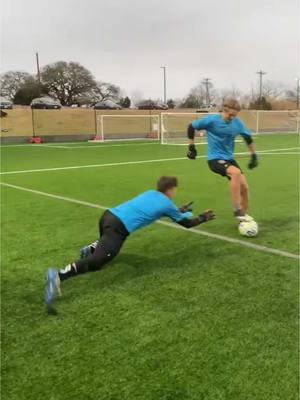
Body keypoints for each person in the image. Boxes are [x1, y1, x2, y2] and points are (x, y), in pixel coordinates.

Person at [45, 176, 215, 312]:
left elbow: (159, 209)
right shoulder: (167, 203)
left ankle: (91, 248)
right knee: (97, 262)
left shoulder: (151, 193)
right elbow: (186, 223)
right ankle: (58, 276)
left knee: (102, 249)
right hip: (118, 228)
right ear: (171, 189)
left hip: (108, 216)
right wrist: (202, 218)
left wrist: (180, 211)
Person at [186, 99, 258, 221]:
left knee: (245, 188)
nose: (232, 117)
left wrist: (254, 156)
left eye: (234, 115)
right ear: (223, 111)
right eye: (230, 114)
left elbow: (248, 139)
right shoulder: (211, 120)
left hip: (229, 159)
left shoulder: (238, 124)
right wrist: (191, 147)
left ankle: (244, 218)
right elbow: (191, 127)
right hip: (214, 159)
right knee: (235, 173)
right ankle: (237, 209)